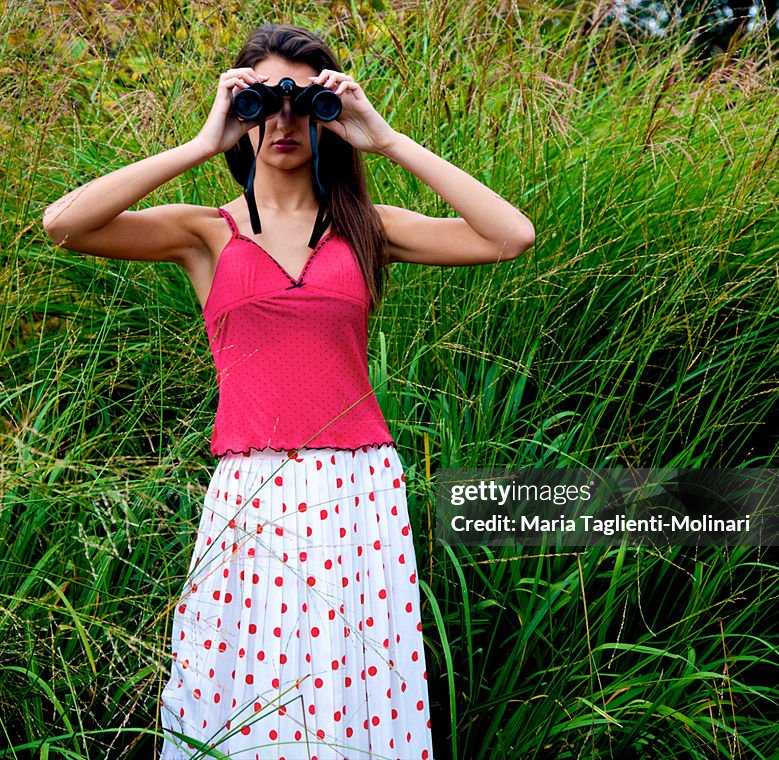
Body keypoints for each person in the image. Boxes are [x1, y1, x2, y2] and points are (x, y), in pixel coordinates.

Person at [43, 22, 534, 760]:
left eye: (304, 102)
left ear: (328, 116)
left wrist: (388, 138)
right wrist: (204, 142)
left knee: (350, 691)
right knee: (244, 688)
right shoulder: (205, 233)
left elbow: (509, 236)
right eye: (264, 101)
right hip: (251, 493)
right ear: (241, 112)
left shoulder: (368, 227)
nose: (283, 119)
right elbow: (65, 224)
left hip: (358, 491)